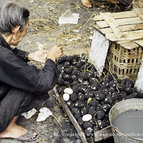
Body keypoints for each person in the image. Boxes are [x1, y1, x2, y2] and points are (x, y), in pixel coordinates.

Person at [0, 1, 63, 142]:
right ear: (16, 30)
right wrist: (51, 59)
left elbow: (8, 55)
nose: (26, 33)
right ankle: (7, 128)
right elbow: (42, 82)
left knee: (22, 75)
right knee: (30, 85)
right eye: (25, 29)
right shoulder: (3, 56)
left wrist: (29, 55)